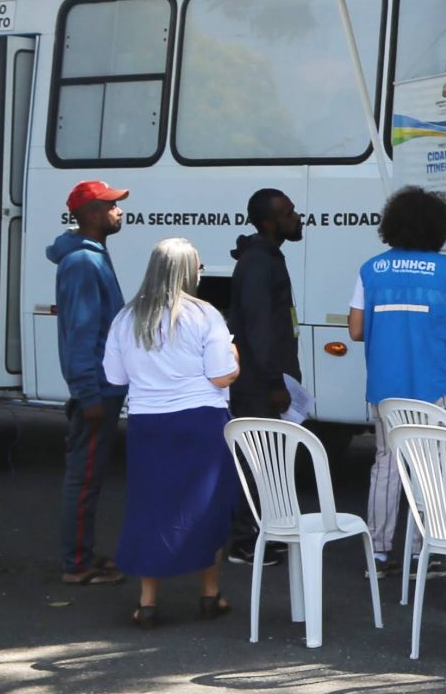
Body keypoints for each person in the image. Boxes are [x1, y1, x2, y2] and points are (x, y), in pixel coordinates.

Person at [102, 236, 242, 630]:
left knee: (151, 508)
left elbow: (114, 377)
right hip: (201, 423)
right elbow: (221, 375)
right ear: (187, 272)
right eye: (198, 266)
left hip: (149, 424)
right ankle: (209, 595)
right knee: (208, 509)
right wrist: (235, 357)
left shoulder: (127, 318)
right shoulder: (205, 314)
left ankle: (147, 603)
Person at [350, 185, 446, 572]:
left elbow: (355, 329)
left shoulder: (371, 269)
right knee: (432, 467)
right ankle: (426, 551)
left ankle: (379, 551)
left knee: (386, 465)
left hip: (385, 387)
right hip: (433, 385)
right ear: (438, 227)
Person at [50, 179, 131, 586]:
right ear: (94, 213)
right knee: (83, 481)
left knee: (89, 479)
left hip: (100, 387)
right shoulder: (83, 262)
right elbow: (82, 334)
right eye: (113, 205)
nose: (119, 211)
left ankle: (82, 556)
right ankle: (77, 564)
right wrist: (88, 393)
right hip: (97, 389)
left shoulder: (91, 256)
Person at [225, 188, 302, 566]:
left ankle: (262, 534)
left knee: (269, 462)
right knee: (254, 463)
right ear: (270, 222)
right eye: (289, 213)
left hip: (269, 381)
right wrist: (274, 383)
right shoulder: (258, 263)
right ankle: (243, 541)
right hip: (257, 386)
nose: (297, 218)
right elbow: (257, 328)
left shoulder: (269, 257)